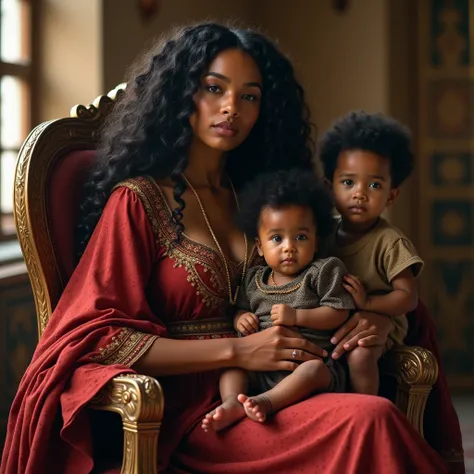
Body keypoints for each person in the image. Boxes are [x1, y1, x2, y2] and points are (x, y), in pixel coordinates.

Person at [1, 22, 449, 474]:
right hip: (198, 414)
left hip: (291, 388)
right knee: (369, 420)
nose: (231, 107)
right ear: (182, 95)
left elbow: (342, 273)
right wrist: (238, 351)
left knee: (371, 416)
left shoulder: (264, 200)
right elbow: (98, 337)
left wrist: (369, 314)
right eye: (214, 88)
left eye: (249, 96)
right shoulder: (138, 201)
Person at [202, 169, 354, 431]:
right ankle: (232, 402)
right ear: (259, 246)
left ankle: (267, 402)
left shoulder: (323, 271)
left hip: (308, 364)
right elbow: (240, 311)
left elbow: (339, 311)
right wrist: (242, 319)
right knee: (231, 368)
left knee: (314, 371)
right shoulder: (254, 279)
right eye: (276, 238)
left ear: (316, 241)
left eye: (301, 237)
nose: (289, 246)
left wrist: (298, 317)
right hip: (260, 370)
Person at [319, 110, 423, 396]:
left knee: (360, 356)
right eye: (348, 182)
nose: (360, 193)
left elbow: (407, 297)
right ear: (330, 189)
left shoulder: (390, 241)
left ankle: (366, 410)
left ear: (391, 195)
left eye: (374, 185)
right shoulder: (323, 235)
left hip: (381, 328)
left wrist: (368, 302)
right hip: (333, 322)